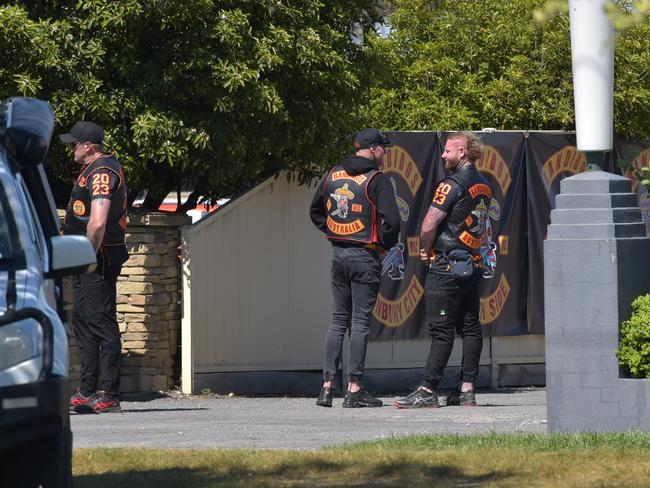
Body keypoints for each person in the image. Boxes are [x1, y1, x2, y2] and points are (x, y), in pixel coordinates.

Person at [395, 132, 491, 409]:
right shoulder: (484, 184)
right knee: (471, 326)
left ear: (462, 152)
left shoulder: (451, 184)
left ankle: (427, 389)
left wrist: (425, 249)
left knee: (442, 330)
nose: (443, 155)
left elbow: (429, 223)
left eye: (448, 151)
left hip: (446, 265)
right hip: (471, 265)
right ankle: (467, 389)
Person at [310, 128, 400, 408]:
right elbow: (393, 222)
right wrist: (384, 244)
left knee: (338, 320)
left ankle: (326, 388)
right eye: (382, 148)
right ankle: (354, 388)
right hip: (365, 255)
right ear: (372, 149)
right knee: (360, 323)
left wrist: (333, 232)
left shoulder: (333, 174)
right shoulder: (377, 179)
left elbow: (315, 211)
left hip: (339, 253)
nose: (384, 153)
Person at [61, 121, 128, 413]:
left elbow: (98, 220)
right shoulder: (91, 170)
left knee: (100, 319)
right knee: (84, 319)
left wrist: (87, 254)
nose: (71, 149)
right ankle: (87, 389)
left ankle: (108, 392)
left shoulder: (102, 171)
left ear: (89, 145)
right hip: (85, 254)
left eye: (74, 144)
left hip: (98, 255)